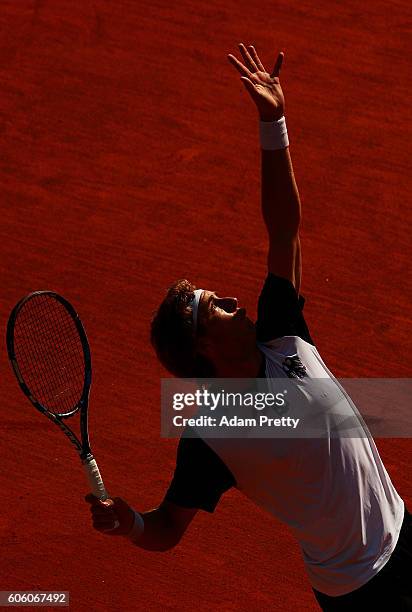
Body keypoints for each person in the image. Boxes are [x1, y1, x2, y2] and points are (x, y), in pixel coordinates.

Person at [86, 43, 412, 610]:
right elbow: (166, 527)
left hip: (402, 528)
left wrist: (274, 122)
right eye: (218, 306)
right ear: (204, 345)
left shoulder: (280, 332)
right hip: (358, 590)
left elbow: (283, 228)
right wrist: (128, 523)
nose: (235, 299)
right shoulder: (212, 434)